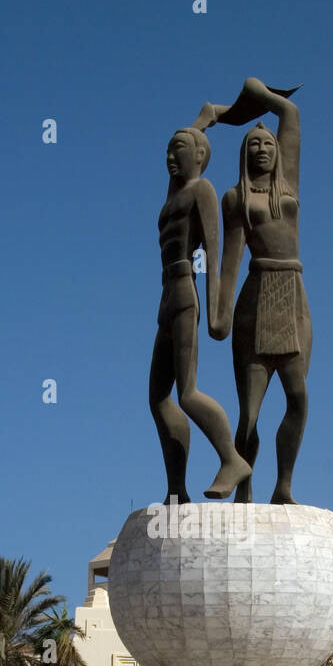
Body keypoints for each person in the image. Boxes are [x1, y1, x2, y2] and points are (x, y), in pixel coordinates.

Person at [197, 78, 309, 504]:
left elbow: (289, 113)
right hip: (256, 298)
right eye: (252, 144)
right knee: (250, 413)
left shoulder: (289, 186)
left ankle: (283, 486)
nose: (262, 148)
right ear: (244, 156)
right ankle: (244, 487)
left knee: (298, 397)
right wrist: (219, 315)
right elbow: (230, 261)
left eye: (267, 143)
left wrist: (231, 106)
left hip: (294, 294)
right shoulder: (235, 200)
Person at [149, 124, 251, 503]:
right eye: (167, 152)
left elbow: (213, 249)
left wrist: (215, 311)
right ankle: (177, 489)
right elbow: (189, 145)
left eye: (179, 150)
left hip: (185, 292)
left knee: (187, 392)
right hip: (166, 295)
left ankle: (232, 460)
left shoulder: (202, 190)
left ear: (201, 157)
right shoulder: (174, 195)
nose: (171, 158)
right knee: (158, 397)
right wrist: (201, 121)